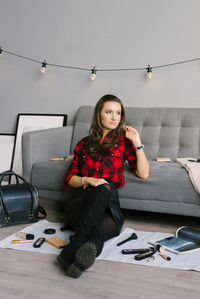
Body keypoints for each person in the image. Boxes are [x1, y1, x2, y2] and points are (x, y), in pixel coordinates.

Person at [57, 94, 149, 278]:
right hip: (82, 201)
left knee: (100, 231)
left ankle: (75, 254)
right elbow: (70, 179)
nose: (114, 117)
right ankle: (77, 244)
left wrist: (137, 143)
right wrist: (87, 180)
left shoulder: (123, 142)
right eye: (109, 112)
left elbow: (144, 173)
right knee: (102, 187)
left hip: (108, 206)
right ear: (99, 114)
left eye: (118, 113)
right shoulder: (83, 144)